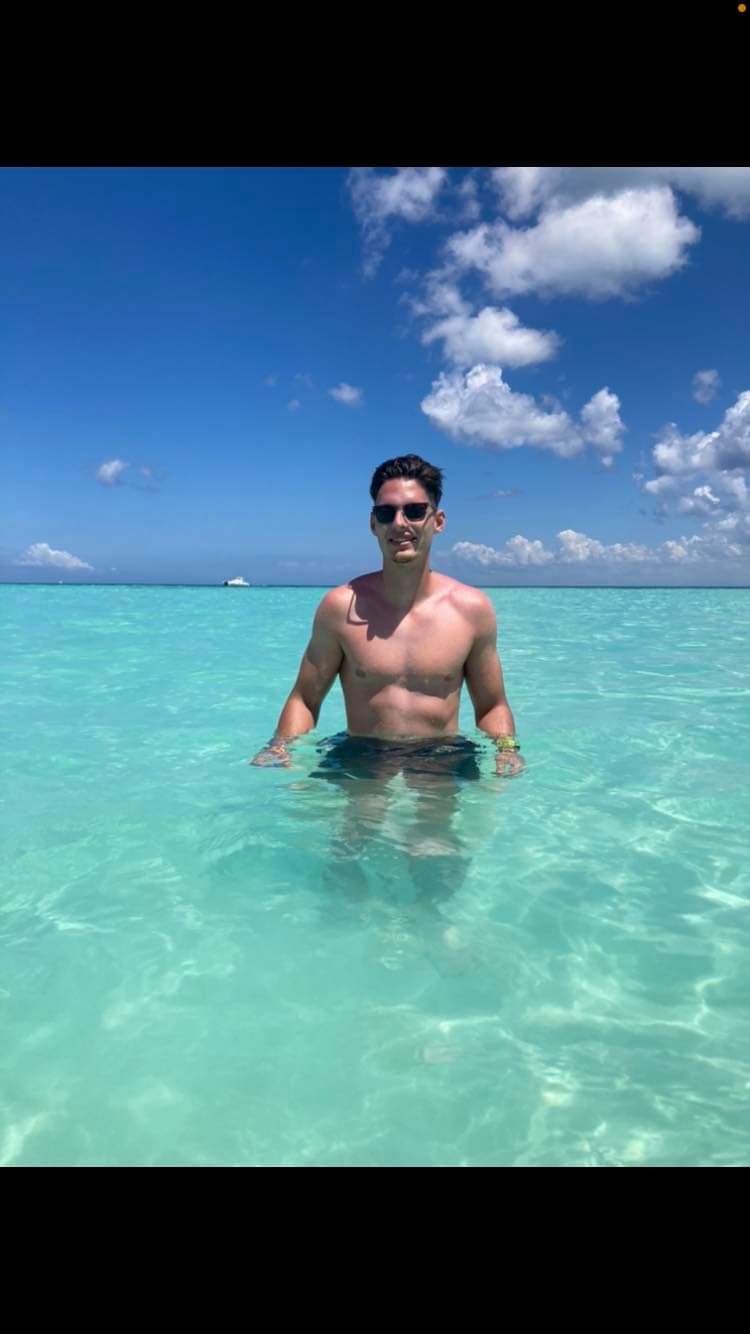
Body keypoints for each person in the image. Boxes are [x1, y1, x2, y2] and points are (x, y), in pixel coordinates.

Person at [250, 453, 524, 778]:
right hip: (363, 754)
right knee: (357, 814)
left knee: (437, 814)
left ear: (438, 521)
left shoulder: (472, 610)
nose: (399, 523)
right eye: (386, 513)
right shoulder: (340, 607)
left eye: (414, 511)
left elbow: (492, 705)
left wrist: (507, 750)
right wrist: (279, 746)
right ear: (373, 524)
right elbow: (305, 699)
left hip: (441, 754)